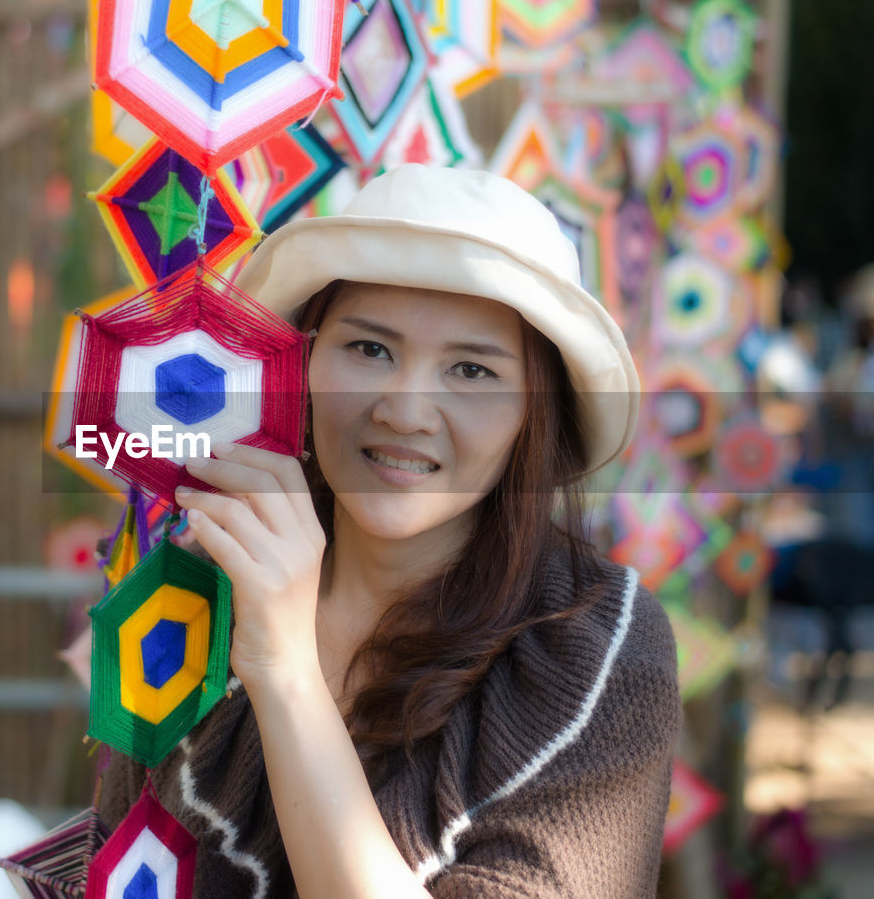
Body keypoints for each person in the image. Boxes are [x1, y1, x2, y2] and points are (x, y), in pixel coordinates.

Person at [96, 165, 681, 898]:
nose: (405, 410)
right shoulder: (199, 583)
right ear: (301, 364)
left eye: (472, 370)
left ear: (537, 412)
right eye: (369, 350)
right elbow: (114, 859)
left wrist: (285, 670)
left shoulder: (597, 648)